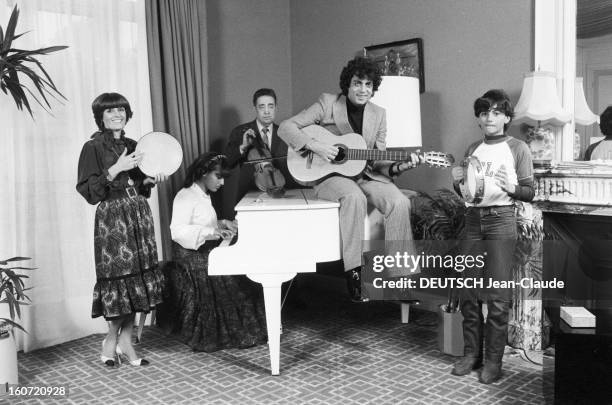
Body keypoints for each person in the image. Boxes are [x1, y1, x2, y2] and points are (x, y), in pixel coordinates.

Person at [278, 56, 421, 302]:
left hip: (366, 174)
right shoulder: (327, 103)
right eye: (357, 83)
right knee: (353, 197)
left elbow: (378, 160)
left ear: (373, 87)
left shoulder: (379, 114)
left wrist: (400, 165)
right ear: (348, 84)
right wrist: (317, 146)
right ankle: (354, 274)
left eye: (368, 85)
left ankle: (401, 279)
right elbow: (286, 128)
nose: (362, 90)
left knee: (400, 202)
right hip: (328, 175)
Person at [76, 92, 167, 367]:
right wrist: (114, 170)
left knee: (135, 279)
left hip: (138, 214)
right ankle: (112, 340)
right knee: (120, 279)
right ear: (100, 117)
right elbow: (89, 191)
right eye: (110, 111)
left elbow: (137, 184)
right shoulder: (92, 147)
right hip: (113, 220)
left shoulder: (132, 144)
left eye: (121, 110)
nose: (117, 114)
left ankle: (124, 341)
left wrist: (149, 179)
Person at [450, 89, 534, 384]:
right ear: (479, 118)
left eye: (497, 112)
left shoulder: (518, 148)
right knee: (468, 292)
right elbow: (468, 194)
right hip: (473, 221)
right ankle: (471, 355)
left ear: (507, 118)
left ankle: (493, 361)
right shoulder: (473, 148)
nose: (490, 117)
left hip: (502, 221)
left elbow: (529, 192)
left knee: (498, 296)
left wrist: (510, 188)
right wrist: (457, 182)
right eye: (484, 112)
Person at [156, 152, 267, 352]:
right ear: (203, 173)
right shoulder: (185, 195)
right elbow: (178, 231)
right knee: (233, 280)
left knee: (242, 276)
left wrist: (220, 223)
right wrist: (212, 231)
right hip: (190, 256)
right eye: (218, 176)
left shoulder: (202, 194)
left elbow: (200, 222)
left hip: (203, 249)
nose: (222, 182)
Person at [224, 88, 297, 216]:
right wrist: (243, 146)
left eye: (271, 106)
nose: (267, 111)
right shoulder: (240, 132)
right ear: (255, 109)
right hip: (249, 196)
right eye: (261, 107)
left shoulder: (285, 133)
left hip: (281, 196)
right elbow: (227, 162)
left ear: (276, 108)